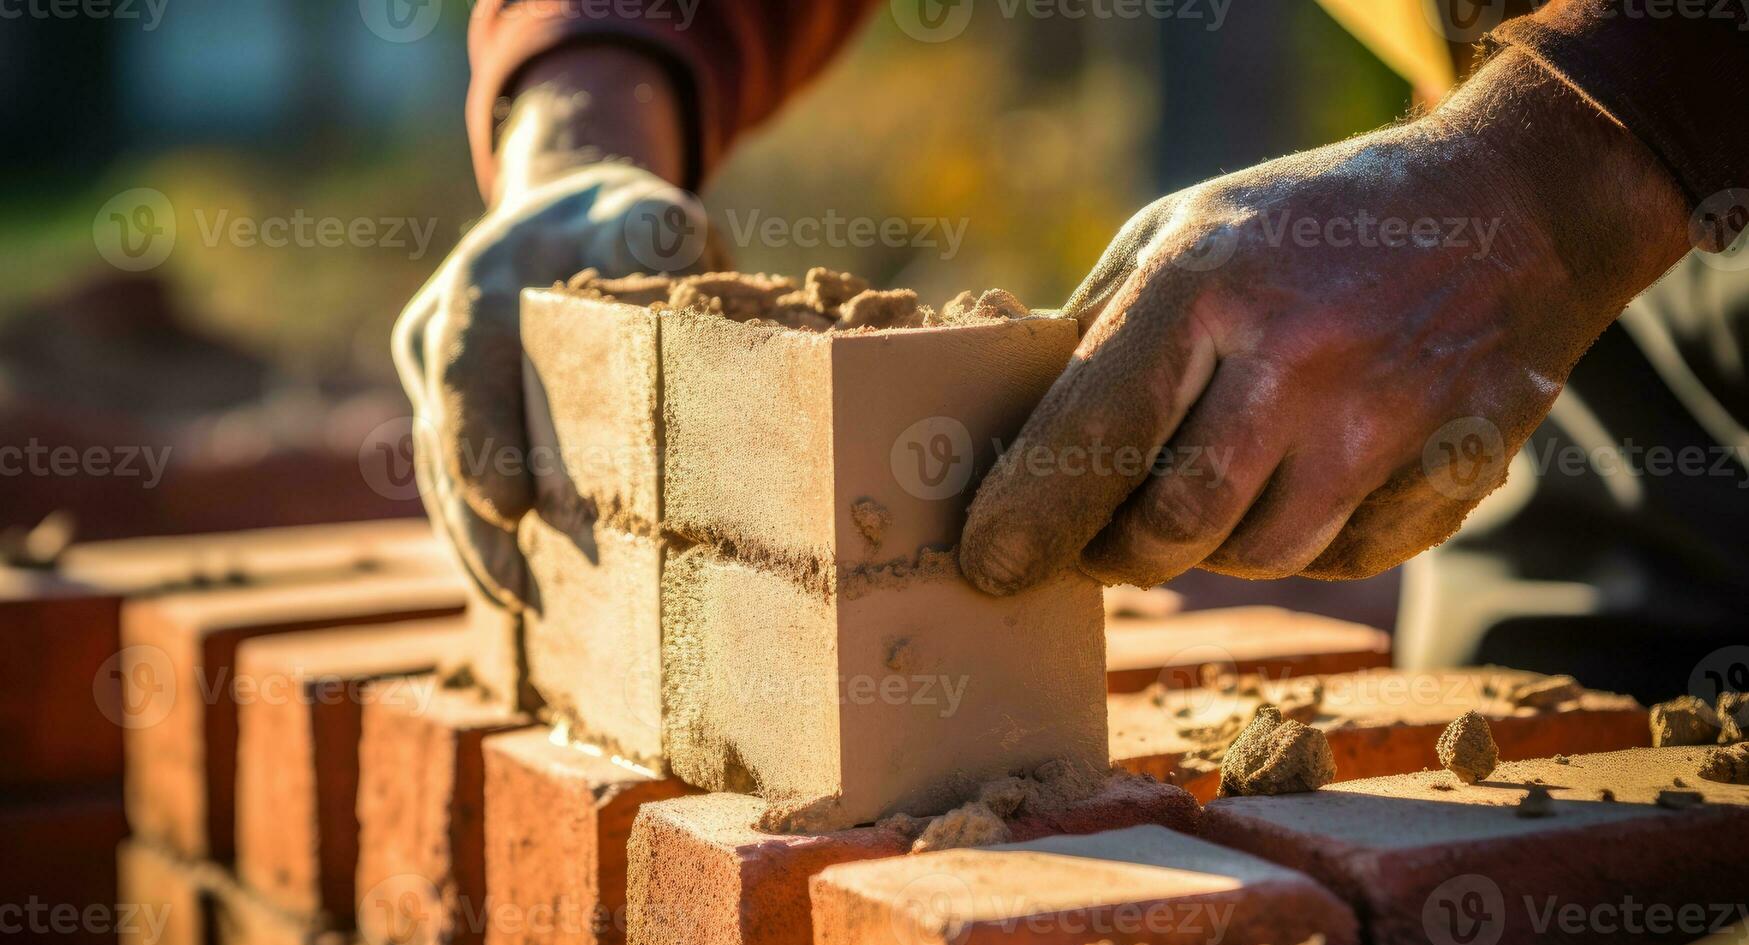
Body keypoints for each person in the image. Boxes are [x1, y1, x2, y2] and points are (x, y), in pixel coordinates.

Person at [394, 0, 1748, 700]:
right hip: (1580, 240)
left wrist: (1551, 180)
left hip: (1595, 160)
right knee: (1548, 846)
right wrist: (578, 130)